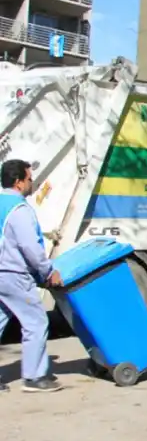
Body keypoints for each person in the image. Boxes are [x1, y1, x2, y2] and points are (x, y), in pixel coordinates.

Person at [0, 159, 63, 393]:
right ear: (18, 183)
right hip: (13, 274)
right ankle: (34, 377)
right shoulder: (19, 210)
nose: (31, 182)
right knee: (35, 322)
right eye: (28, 178)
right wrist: (48, 271)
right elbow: (30, 247)